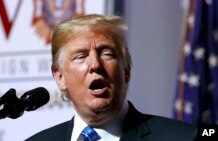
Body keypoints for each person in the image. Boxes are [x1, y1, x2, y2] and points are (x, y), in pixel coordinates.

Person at [26, 14, 197, 141]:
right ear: (60, 78)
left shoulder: (183, 137)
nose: (95, 64)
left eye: (107, 54)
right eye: (80, 57)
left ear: (126, 70)